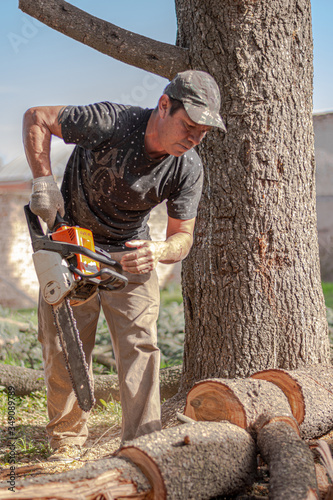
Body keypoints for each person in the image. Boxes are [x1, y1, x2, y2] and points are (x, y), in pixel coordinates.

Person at [23, 70, 226, 462]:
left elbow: (183, 236)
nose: (193, 138)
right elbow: (38, 116)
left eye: (202, 133)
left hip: (131, 252)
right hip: (72, 243)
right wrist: (42, 182)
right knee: (64, 345)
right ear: (165, 105)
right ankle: (66, 441)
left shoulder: (188, 167)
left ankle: (141, 444)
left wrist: (161, 251)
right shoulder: (111, 121)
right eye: (188, 125)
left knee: (141, 348)